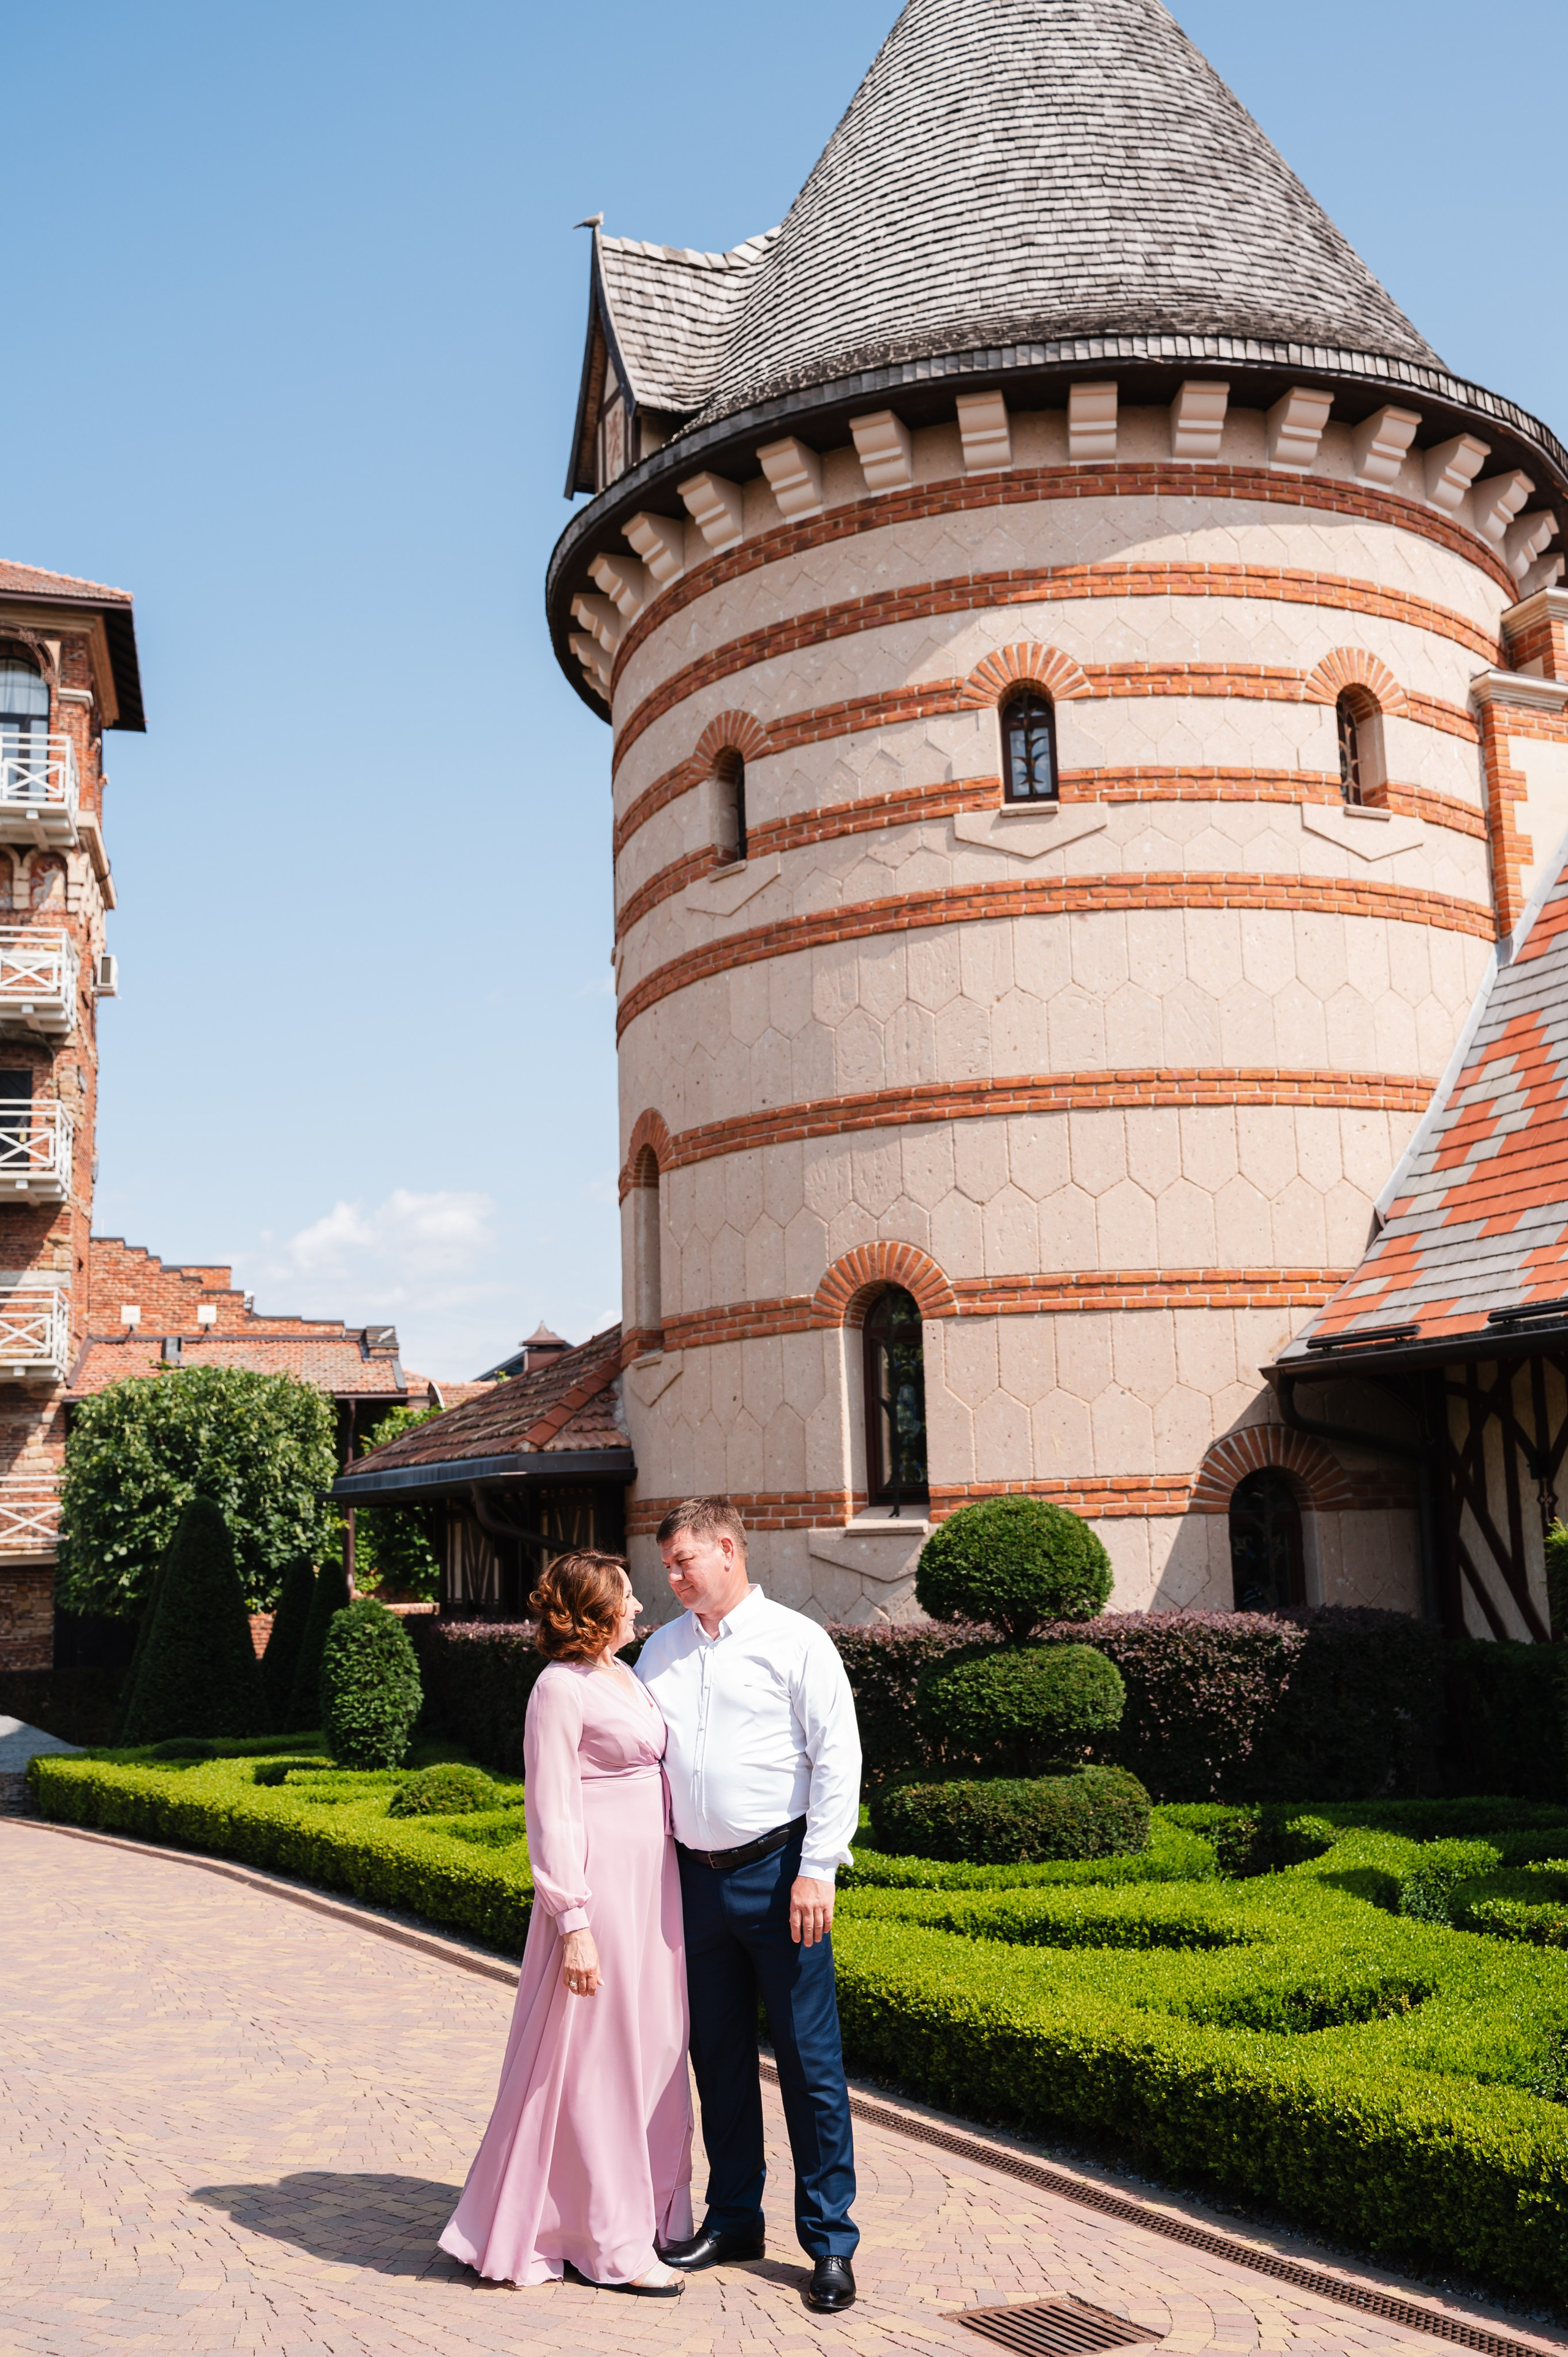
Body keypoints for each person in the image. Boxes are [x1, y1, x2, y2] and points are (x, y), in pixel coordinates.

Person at [439, 1549, 693, 2295]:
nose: (639, 1605)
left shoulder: (625, 1674)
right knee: (596, 2060)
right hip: (599, 1893)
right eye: (627, 1596)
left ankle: (651, 2212)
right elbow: (550, 1810)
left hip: (655, 1889)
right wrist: (572, 1920)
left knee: (655, 2047)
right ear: (595, 1611)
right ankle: (607, 2240)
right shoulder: (557, 1688)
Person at [635, 1496, 862, 2315]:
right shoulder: (659, 1650)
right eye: (667, 1565)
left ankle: (830, 2241)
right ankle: (733, 2219)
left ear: (727, 1549)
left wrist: (818, 1868)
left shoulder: (796, 1641)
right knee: (717, 2058)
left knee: (809, 2063)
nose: (672, 1576)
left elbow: (837, 1757)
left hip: (779, 1877)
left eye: (683, 1561)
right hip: (692, 1883)